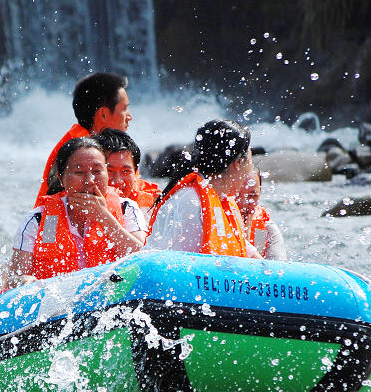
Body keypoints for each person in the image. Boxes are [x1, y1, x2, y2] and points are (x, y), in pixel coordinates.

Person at [2, 137, 147, 290]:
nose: (90, 180)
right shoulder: (40, 220)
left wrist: (105, 218)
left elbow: (141, 259)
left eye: (97, 171)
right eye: (79, 172)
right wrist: (23, 281)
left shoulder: (127, 209)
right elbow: (14, 279)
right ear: (61, 178)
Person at [146, 119, 274, 258]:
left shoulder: (223, 201)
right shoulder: (189, 202)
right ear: (237, 163)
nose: (250, 169)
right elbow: (157, 260)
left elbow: (241, 249)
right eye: (249, 160)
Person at [35, 72, 132, 204]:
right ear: (103, 114)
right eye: (124, 109)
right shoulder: (79, 150)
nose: (129, 116)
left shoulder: (98, 145)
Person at [93, 128, 160, 215]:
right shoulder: (75, 209)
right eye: (109, 171)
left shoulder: (151, 208)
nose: (117, 181)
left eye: (125, 171)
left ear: (135, 173)